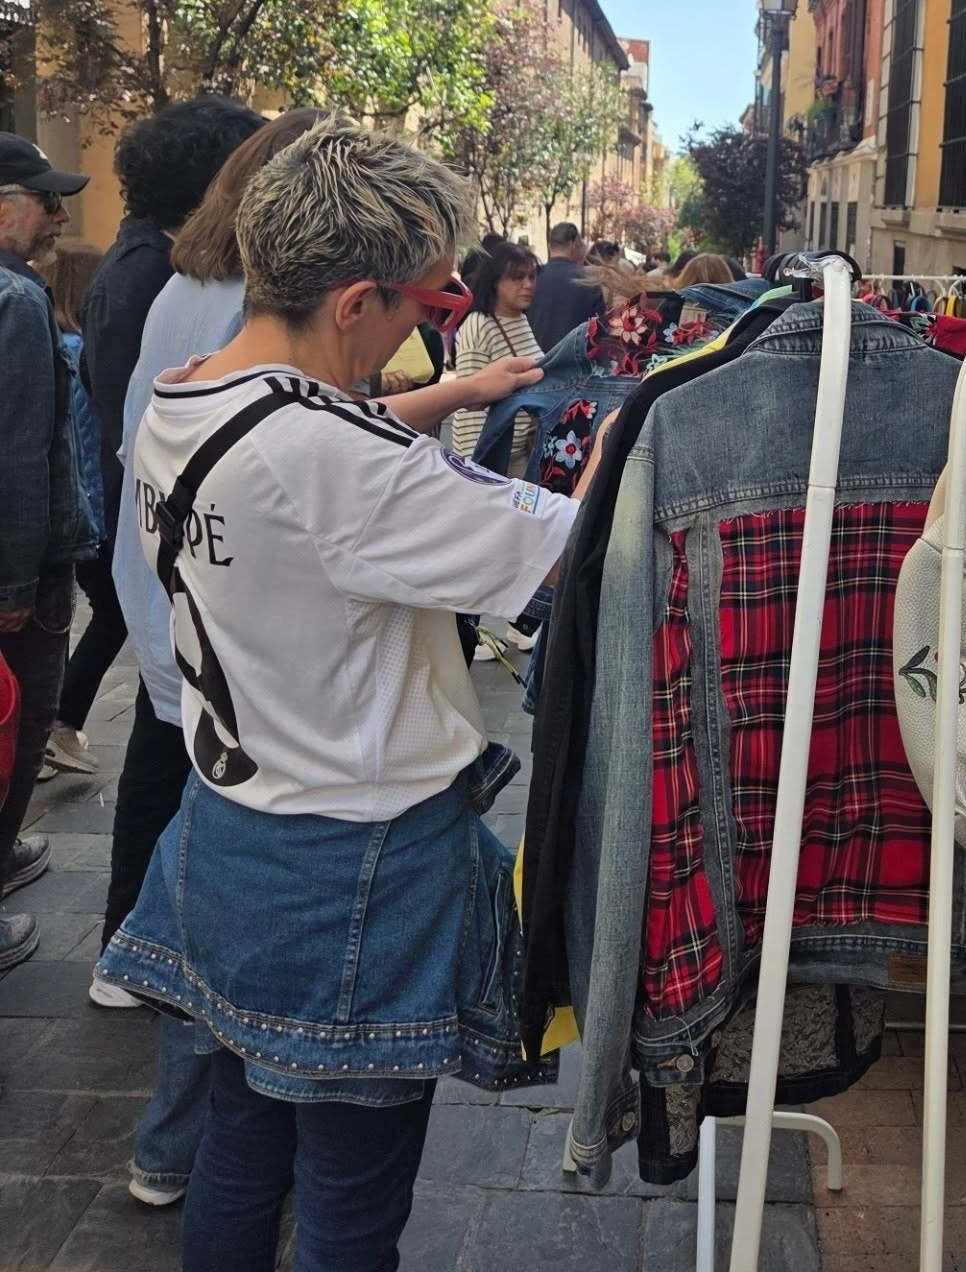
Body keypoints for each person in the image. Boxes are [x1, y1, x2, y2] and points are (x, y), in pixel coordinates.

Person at [95, 122, 590, 1271]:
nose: (424, 334)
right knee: (351, 1206)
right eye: (422, 305)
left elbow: (322, 448)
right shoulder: (341, 462)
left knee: (240, 1142)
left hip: (233, 828)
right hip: (354, 858)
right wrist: (621, 448)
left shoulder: (188, 395)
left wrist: (447, 395)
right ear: (358, 298)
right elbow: (581, 548)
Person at [51, 98, 263, 792]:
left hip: (161, 538)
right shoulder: (156, 275)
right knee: (161, 762)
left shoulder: (159, 266)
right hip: (165, 536)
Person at [0, 134, 95, 971]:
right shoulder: (18, 299)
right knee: (21, 723)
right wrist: (21, 581)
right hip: (20, 570)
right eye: (45, 199)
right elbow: (22, 449)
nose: (60, 214)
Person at [36, 244, 105, 778]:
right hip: (87, 513)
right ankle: (55, 723)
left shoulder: (56, 344)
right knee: (112, 614)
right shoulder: (77, 351)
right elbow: (84, 443)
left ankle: (48, 725)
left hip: (66, 514)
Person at [451, 240, 542, 472]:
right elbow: (470, 400)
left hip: (520, 452)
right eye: (517, 278)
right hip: (491, 460)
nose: (528, 285)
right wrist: (478, 467)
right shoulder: (479, 325)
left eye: (531, 277)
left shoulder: (520, 319)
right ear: (495, 283)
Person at [528, 220, 604, 352]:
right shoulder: (588, 280)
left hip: (534, 360)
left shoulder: (531, 277)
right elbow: (598, 332)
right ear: (573, 244)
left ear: (550, 245)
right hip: (573, 363)